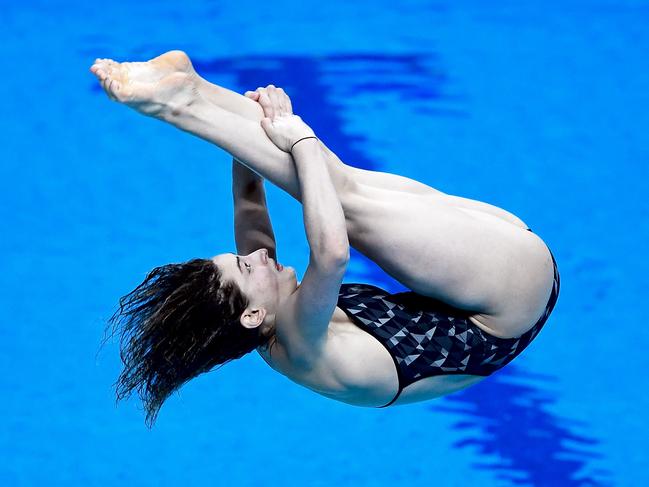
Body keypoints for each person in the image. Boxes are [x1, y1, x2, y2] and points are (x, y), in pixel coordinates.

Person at [91, 51, 560, 427]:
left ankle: (193, 90)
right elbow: (332, 254)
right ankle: (175, 104)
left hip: (500, 280)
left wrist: (251, 134)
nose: (255, 257)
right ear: (253, 313)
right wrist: (298, 140)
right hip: (507, 299)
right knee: (343, 204)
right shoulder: (299, 341)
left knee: (335, 182)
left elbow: (250, 211)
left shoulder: (255, 319)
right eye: (246, 268)